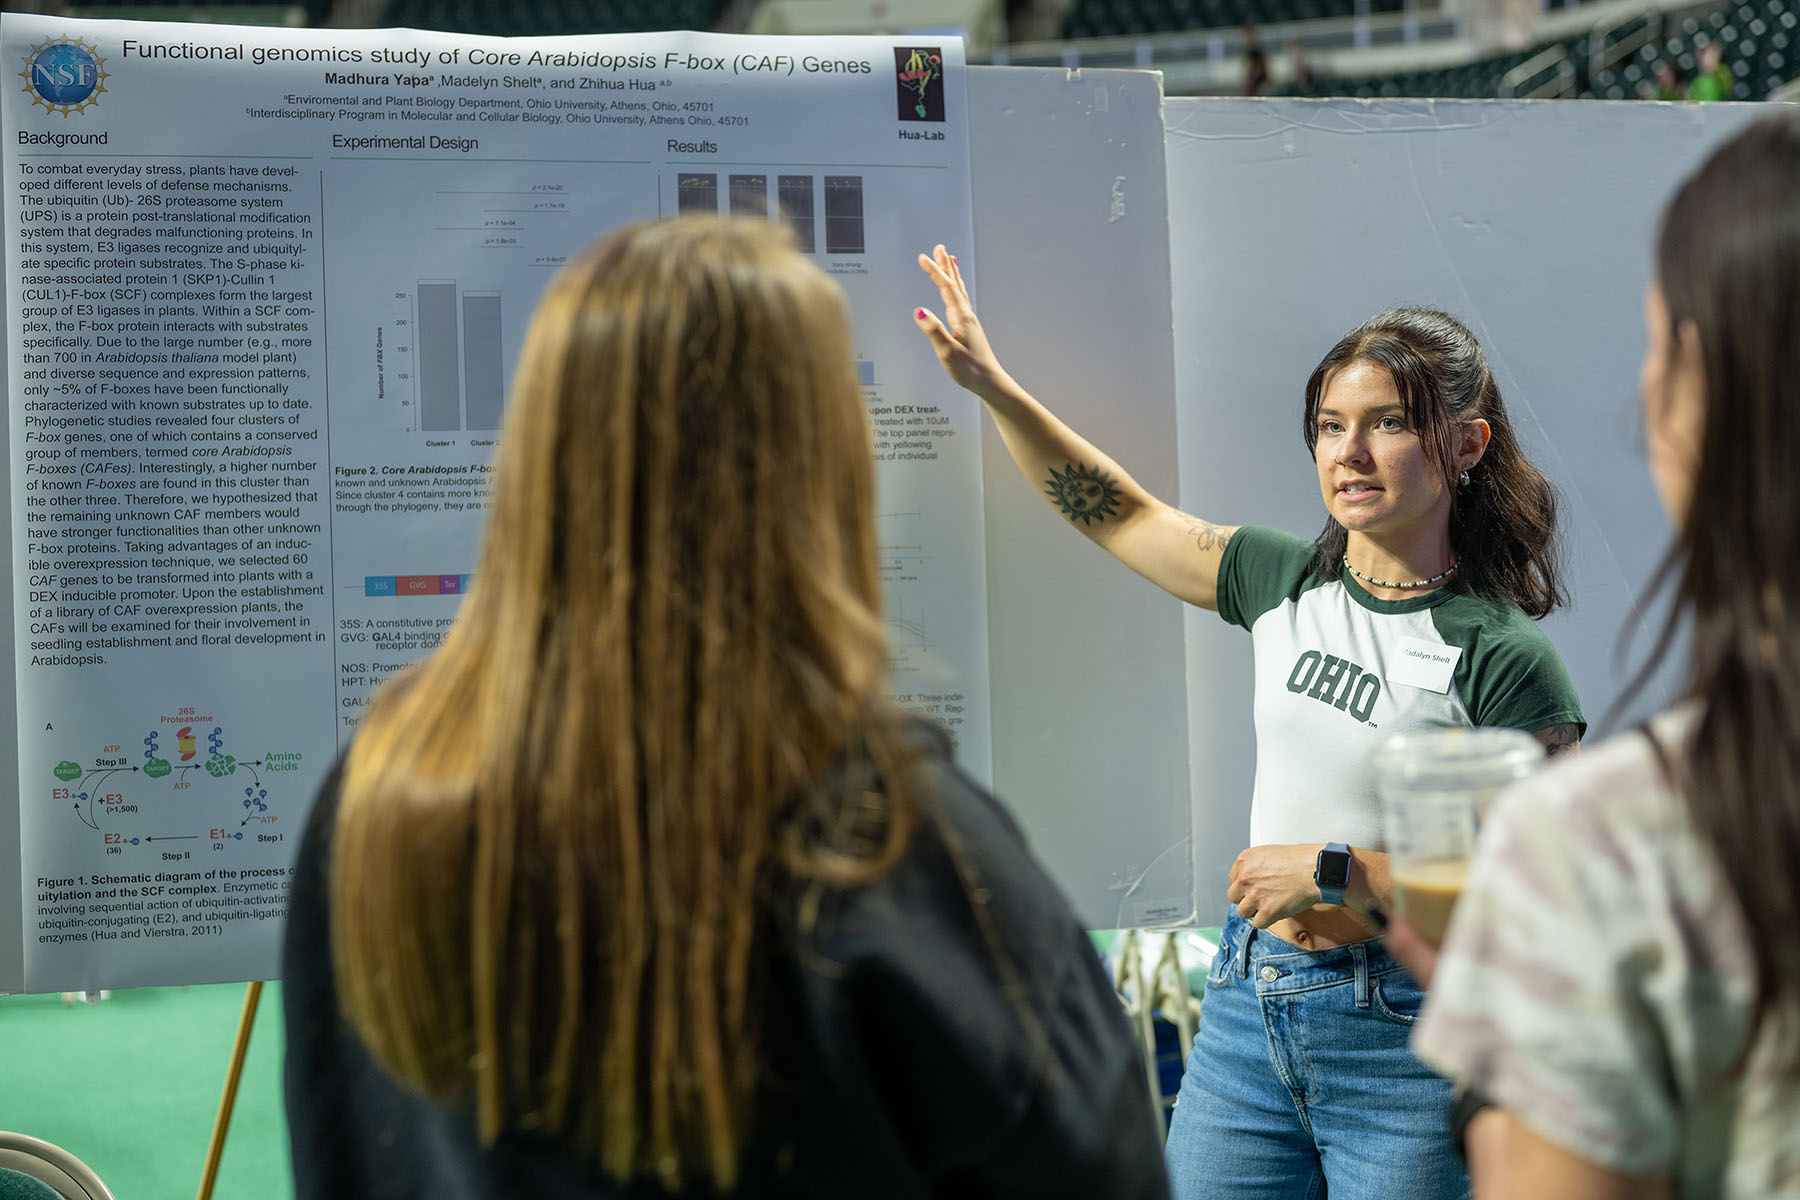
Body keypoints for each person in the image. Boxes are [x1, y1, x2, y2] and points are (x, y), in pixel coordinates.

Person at [282, 217, 1172, 1200]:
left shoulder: (384, 779)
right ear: (813, 460)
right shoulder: (884, 839)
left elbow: (339, 1143)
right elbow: (1098, 1168)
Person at [913, 251, 1584, 1200]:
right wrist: (993, 387)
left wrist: (1337, 868)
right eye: (1329, 427)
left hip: (1403, 1043)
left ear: (1468, 444)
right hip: (1244, 1013)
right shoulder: (1280, 581)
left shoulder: (1505, 656)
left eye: (1388, 424)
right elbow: (1117, 514)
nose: (1348, 454)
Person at [1394, 109, 1800, 1199]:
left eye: (1657, 338)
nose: (1350, 452)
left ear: (1695, 392)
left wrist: (1496, 1072)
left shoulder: (1609, 843)